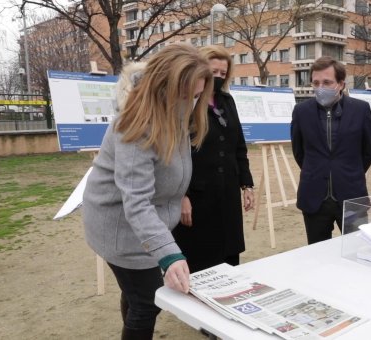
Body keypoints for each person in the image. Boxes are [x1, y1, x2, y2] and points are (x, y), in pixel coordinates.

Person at [82, 43, 213, 339]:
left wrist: (181, 197)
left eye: (195, 96)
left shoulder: (174, 116)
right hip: (120, 228)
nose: (190, 104)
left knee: (135, 292)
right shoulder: (135, 126)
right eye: (184, 95)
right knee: (146, 301)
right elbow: (137, 202)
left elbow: (169, 173)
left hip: (144, 226)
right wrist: (168, 255)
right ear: (163, 86)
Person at [172, 45, 255, 273]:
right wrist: (181, 195)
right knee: (199, 259)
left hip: (227, 194)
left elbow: (238, 145)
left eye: (222, 73)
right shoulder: (185, 103)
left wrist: (246, 184)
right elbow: (173, 154)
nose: (217, 77)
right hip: (197, 197)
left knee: (229, 259)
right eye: (213, 71)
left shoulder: (227, 101)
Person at [291, 56, 371, 244]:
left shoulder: (360, 110)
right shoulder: (301, 111)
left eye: (327, 82)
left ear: (340, 84)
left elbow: (368, 151)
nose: (320, 87)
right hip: (314, 197)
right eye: (316, 82)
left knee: (357, 250)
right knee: (317, 256)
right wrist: (318, 170)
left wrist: (349, 171)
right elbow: (299, 152)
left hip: (352, 195)